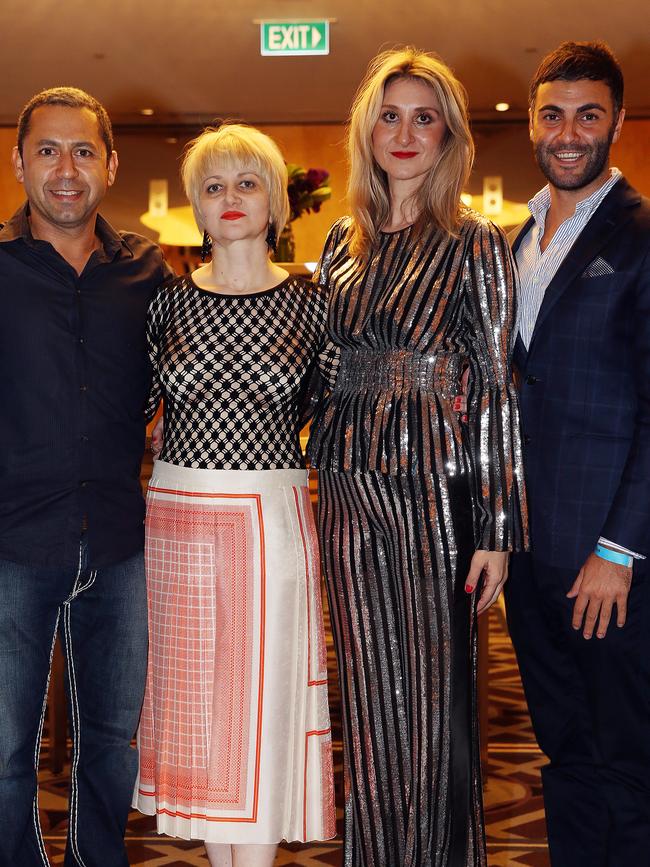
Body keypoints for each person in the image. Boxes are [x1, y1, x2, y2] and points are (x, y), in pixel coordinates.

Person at [307, 48, 527, 866]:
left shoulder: (477, 243)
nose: (404, 133)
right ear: (368, 129)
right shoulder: (339, 238)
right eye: (389, 115)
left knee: (434, 708)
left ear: (448, 137)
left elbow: (500, 389)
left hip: (438, 492)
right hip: (348, 486)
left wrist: (498, 527)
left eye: (423, 117)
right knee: (367, 705)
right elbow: (320, 369)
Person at [132, 123, 336, 867]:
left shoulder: (315, 308)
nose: (230, 199)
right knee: (199, 712)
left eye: (247, 183)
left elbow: (327, 411)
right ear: (195, 204)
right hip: (177, 518)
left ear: (276, 199)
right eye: (213, 186)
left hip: (271, 523)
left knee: (264, 700)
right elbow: (139, 412)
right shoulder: (166, 306)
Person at [0, 88, 171, 866]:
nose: (64, 169)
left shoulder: (148, 271)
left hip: (118, 543)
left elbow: (184, 377)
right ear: (18, 162)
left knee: (112, 743)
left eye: (82, 151)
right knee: (4, 751)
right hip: (12, 543)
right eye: (46, 150)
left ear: (110, 163)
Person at [505, 41, 650, 866]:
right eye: (553, 114)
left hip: (608, 559)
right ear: (532, 119)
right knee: (564, 755)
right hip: (526, 551)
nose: (568, 133)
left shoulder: (641, 236)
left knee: (627, 763)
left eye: (588, 115)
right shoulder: (510, 240)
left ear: (617, 122)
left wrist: (618, 549)